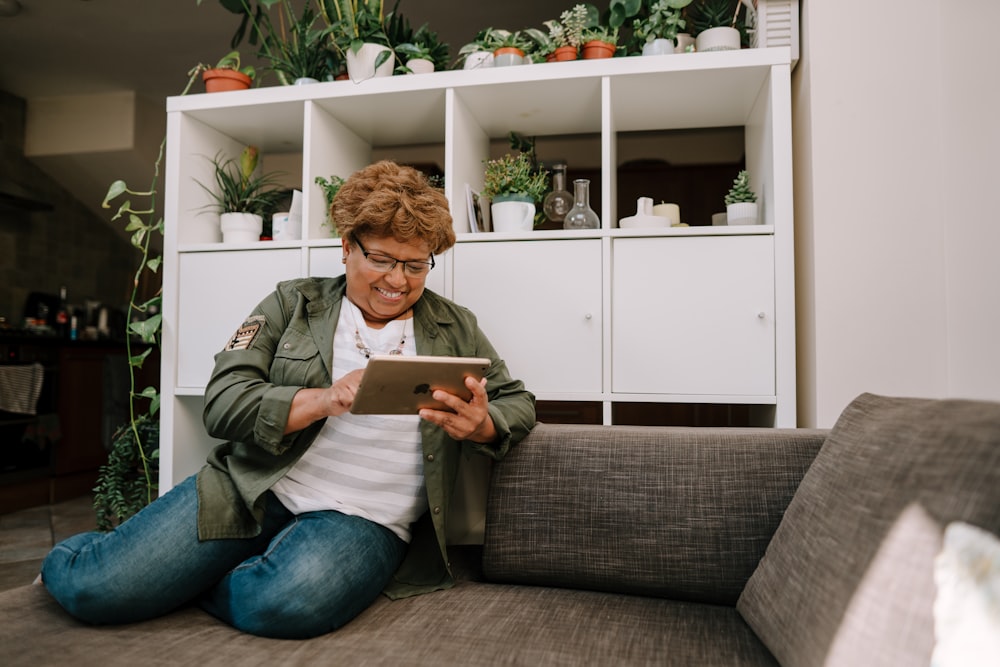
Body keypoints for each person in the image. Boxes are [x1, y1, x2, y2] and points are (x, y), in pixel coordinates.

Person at [40, 160, 536, 639]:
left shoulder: (455, 325)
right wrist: (322, 399)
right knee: (92, 591)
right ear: (347, 247)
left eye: (414, 264)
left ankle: (192, 582)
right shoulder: (291, 303)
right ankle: (97, 555)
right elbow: (223, 402)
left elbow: (517, 402)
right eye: (381, 260)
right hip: (253, 489)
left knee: (282, 604)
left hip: (365, 519)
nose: (397, 280)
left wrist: (482, 424)